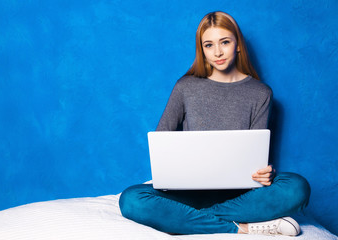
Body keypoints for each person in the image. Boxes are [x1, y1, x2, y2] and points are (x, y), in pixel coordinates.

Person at [119, 11, 310, 236]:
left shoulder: (260, 93)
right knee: (131, 199)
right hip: (187, 192)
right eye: (209, 45)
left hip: (239, 196)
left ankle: (183, 217)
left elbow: (255, 154)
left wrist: (263, 173)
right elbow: (162, 143)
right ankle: (242, 228)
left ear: (238, 45)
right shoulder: (185, 87)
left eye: (225, 42)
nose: (217, 52)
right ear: (202, 50)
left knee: (297, 187)